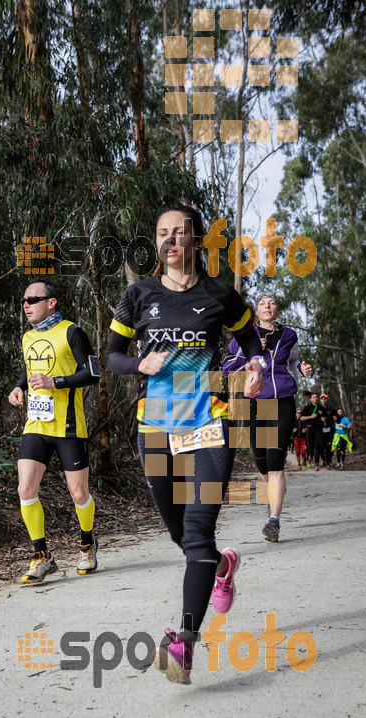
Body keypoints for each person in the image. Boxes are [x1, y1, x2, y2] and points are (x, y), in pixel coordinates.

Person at [106, 203, 265, 685]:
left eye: (181, 232)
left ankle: (184, 642)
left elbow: (250, 341)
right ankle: (221, 566)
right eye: (162, 233)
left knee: (196, 533)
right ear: (156, 242)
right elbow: (111, 356)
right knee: (180, 534)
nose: (172, 240)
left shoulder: (220, 294)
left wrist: (255, 366)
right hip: (155, 426)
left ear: (197, 239)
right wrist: (140, 366)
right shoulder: (137, 295)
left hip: (210, 423)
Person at [8, 281, 100, 584]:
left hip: (69, 425)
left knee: (79, 492)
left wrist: (55, 383)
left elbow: (93, 373)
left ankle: (87, 542)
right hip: (36, 425)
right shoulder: (27, 337)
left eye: (33, 299)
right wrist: (18, 388)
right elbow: (26, 370)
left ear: (52, 302)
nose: (27, 304)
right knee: (25, 489)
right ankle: (42, 555)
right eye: (24, 300)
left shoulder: (72, 332)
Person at [222, 293, 313, 543]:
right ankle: (274, 495)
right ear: (256, 310)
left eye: (272, 303)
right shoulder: (243, 336)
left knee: (275, 460)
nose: (267, 306)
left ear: (277, 309)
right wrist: (250, 352)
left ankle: (274, 520)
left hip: (282, 399)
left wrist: (302, 368)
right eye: (262, 303)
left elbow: (292, 361)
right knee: (261, 462)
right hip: (255, 402)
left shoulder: (289, 335)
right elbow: (227, 367)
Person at [300, 391, 325, 471]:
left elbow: (325, 417)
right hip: (310, 429)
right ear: (310, 399)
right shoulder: (307, 407)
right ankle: (311, 455)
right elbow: (301, 418)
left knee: (317, 445)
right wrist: (310, 417)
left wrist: (324, 419)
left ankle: (316, 464)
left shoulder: (321, 408)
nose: (315, 399)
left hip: (318, 429)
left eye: (316, 397)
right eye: (313, 397)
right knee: (310, 446)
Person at [318, 393, 338, 469]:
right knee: (320, 447)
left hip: (330, 430)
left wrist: (336, 419)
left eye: (325, 398)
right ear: (320, 400)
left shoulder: (331, 409)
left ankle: (328, 462)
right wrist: (320, 419)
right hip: (321, 431)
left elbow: (338, 419)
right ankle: (322, 458)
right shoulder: (318, 409)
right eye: (322, 399)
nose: (323, 400)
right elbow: (313, 419)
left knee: (329, 447)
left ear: (327, 400)